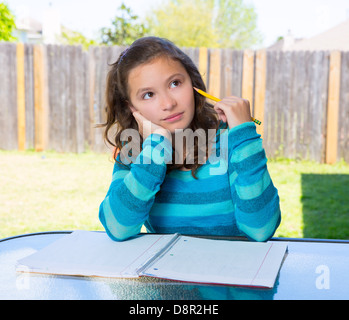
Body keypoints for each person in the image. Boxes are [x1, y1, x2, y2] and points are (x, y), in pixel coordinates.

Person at [99, 36, 281, 242]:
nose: (168, 103)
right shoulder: (136, 150)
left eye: (175, 83)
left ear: (193, 84)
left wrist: (243, 133)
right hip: (167, 272)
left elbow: (261, 228)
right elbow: (118, 228)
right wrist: (156, 147)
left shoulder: (230, 141)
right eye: (148, 94)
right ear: (131, 107)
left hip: (233, 270)